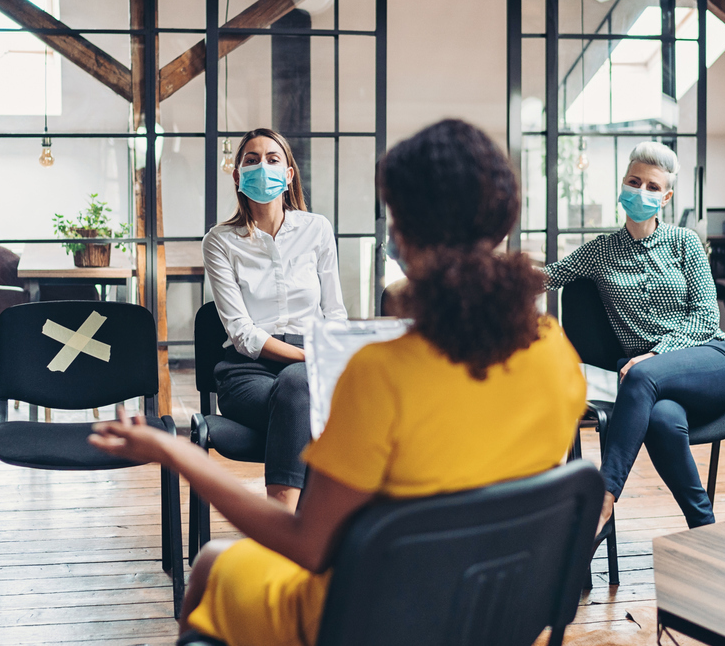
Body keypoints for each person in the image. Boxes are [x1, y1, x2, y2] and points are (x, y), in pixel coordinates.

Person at [92, 119, 586, 646]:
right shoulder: (555, 351)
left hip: (376, 617)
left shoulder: (381, 376)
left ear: (404, 235)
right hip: (498, 611)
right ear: (501, 220)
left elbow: (309, 546)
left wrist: (176, 452)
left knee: (213, 561)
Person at [543, 141, 725, 534]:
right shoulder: (600, 251)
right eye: (635, 181)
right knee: (664, 421)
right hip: (652, 388)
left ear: (665, 197)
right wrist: (487, 272)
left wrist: (656, 354)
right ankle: (706, 528)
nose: (641, 191)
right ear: (622, 185)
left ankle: (603, 499)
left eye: (652, 187)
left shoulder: (685, 242)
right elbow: (547, 276)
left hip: (708, 363)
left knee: (639, 374)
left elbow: (706, 317)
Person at [201, 128, 346, 510]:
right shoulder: (220, 241)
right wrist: (309, 359)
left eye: (272, 158)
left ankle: (285, 527)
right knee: (303, 395)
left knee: (298, 391)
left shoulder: (317, 229)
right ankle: (297, 524)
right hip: (247, 371)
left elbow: (335, 312)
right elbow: (242, 333)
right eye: (251, 160)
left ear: (289, 174)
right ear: (237, 176)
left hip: (309, 364)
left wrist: (328, 358)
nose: (261, 166)